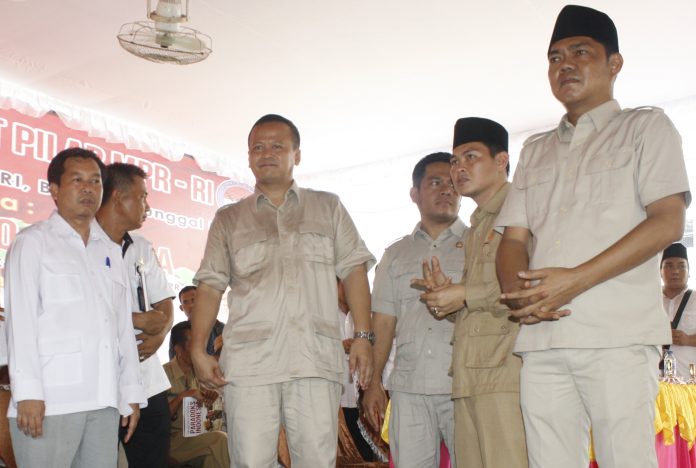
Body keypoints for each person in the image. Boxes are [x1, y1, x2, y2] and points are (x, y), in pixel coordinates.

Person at [495, 5, 691, 468]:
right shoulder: (535, 150)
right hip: (542, 338)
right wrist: (519, 295)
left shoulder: (645, 127)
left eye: (580, 52)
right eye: (555, 57)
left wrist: (576, 279)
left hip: (616, 336)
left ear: (614, 63)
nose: (564, 65)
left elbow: (667, 221)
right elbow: (513, 241)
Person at [190, 114, 376, 467]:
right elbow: (210, 284)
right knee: (250, 462)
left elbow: (354, 270)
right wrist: (198, 349)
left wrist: (363, 337)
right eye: (257, 147)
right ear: (249, 157)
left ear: (297, 155)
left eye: (277, 145)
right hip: (249, 364)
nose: (266, 153)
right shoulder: (229, 219)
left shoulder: (328, 207)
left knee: (316, 461)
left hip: (314, 359)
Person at [3, 147, 145, 468]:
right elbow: (20, 323)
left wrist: (131, 391)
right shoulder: (33, 243)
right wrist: (28, 393)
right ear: (54, 189)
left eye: (95, 181)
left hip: (104, 399)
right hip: (50, 401)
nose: (88, 189)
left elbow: (122, 329)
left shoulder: (110, 251)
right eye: (77, 180)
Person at [415, 121, 527, 468]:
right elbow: (479, 300)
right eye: (454, 160)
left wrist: (465, 294)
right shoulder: (477, 225)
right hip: (469, 374)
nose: (458, 168)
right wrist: (446, 297)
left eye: (471, 157)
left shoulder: (521, 211)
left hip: (505, 373)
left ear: (501, 161)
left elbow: (527, 286)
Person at [362, 152, 463, 467]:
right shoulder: (395, 254)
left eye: (453, 184)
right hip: (409, 387)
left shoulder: (480, 245)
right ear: (414, 193)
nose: (446, 190)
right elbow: (383, 322)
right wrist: (374, 383)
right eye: (435, 182)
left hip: (464, 385)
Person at [96, 162, 175, 468]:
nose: (148, 207)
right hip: (102, 380)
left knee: (152, 459)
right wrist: (139, 320)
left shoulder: (141, 246)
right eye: (143, 197)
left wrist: (160, 334)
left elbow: (164, 304)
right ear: (118, 196)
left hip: (148, 380)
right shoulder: (82, 243)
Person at [164, 321, 230, 468]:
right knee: (220, 439)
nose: (199, 350)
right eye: (194, 344)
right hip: (171, 443)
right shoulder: (163, 376)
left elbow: (208, 415)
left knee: (212, 459)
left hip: (197, 440)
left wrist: (211, 398)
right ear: (178, 349)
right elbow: (155, 420)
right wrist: (181, 397)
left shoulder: (198, 375)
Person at [661, 243, 696, 378]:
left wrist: (689, 340)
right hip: (655, 381)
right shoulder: (650, 301)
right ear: (660, 271)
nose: (675, 271)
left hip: (689, 382)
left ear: (689, 272)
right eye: (669, 265)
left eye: (681, 266)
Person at [169, 286, 224, 359]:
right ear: (181, 308)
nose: (191, 305)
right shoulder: (177, 331)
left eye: (194, 300)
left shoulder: (221, 328)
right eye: (185, 302)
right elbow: (173, 361)